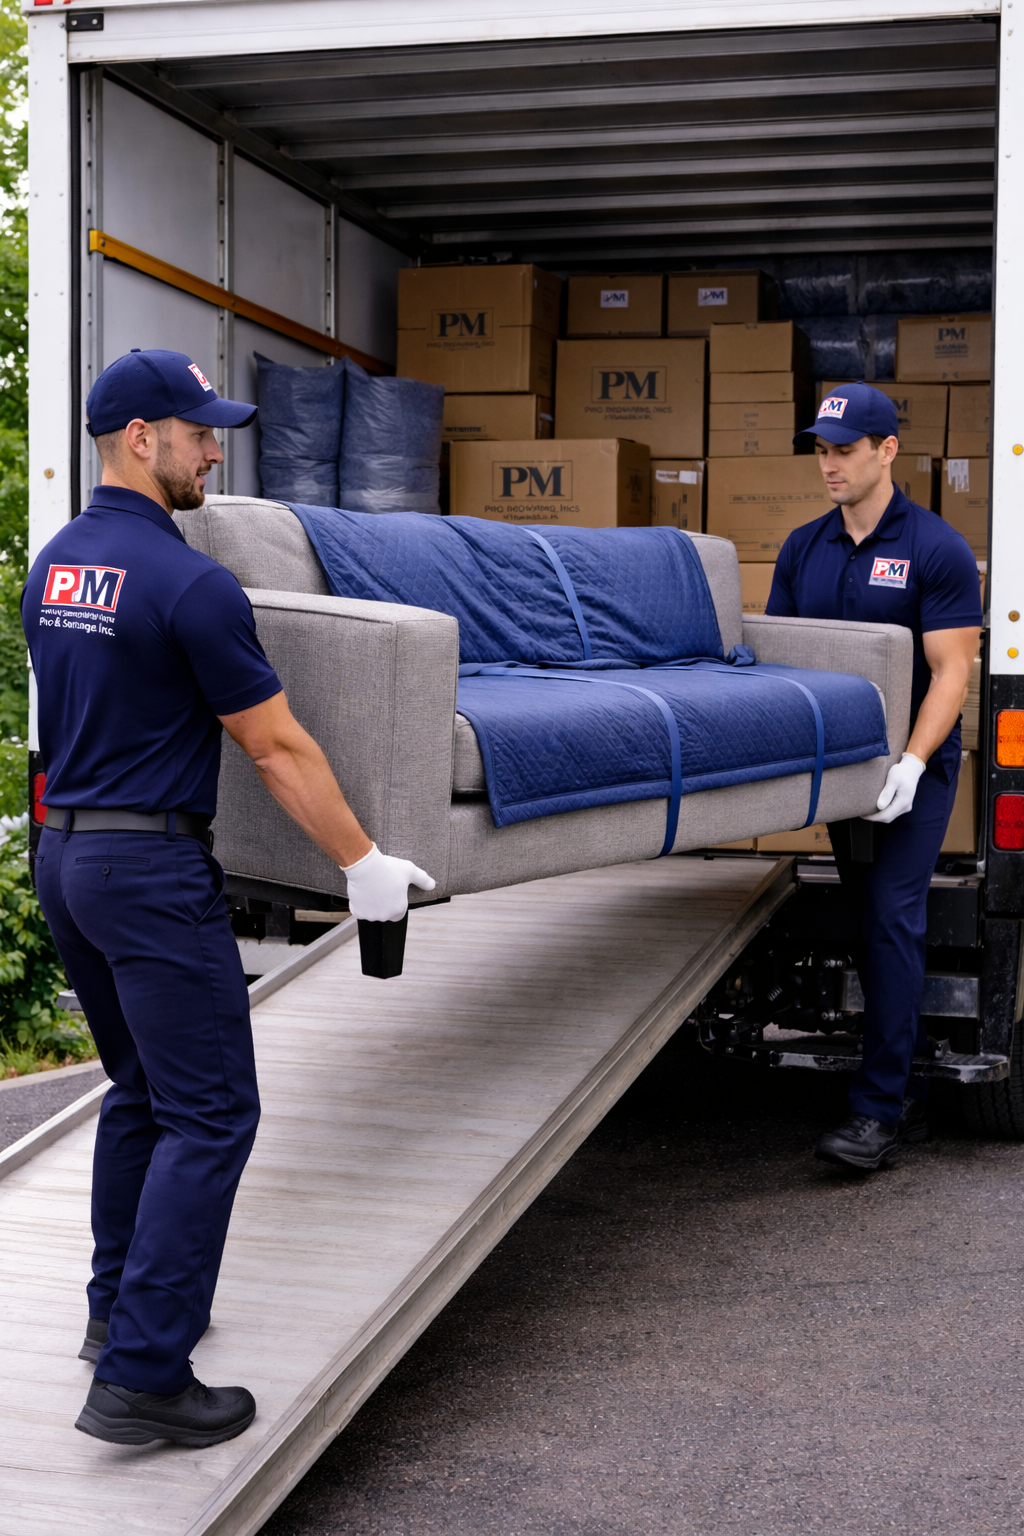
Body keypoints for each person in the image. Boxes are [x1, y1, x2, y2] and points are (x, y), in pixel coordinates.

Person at [23, 349, 436, 1448]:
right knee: (213, 1114)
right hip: (151, 872)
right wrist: (362, 863)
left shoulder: (57, 565)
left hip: (65, 855)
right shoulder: (191, 583)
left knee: (142, 1093)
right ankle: (145, 1375)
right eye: (199, 430)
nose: (217, 447)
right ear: (139, 439)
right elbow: (278, 747)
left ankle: (116, 1319)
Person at [767, 382, 982, 1171]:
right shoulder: (802, 548)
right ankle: (913, 1088)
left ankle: (877, 1110)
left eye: (845, 450)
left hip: (915, 767)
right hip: (846, 768)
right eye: (821, 451)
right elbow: (785, 665)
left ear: (887, 450)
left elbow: (952, 672)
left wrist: (915, 763)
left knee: (894, 916)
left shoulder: (934, 548)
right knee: (865, 922)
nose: (829, 465)